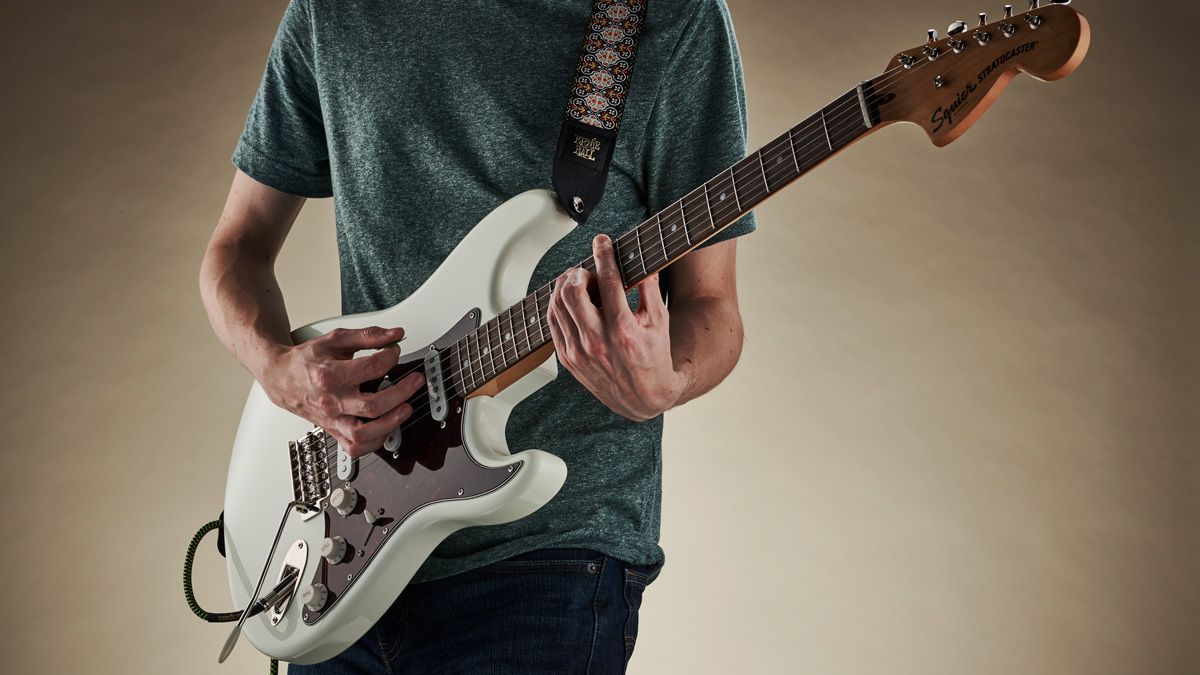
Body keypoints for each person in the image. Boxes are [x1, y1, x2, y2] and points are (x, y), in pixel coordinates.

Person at [199, 0, 756, 671]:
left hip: (552, 553)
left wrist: (670, 378)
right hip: (346, 530)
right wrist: (279, 367)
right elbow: (235, 250)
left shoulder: (667, 16)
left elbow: (711, 303)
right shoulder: (332, 12)